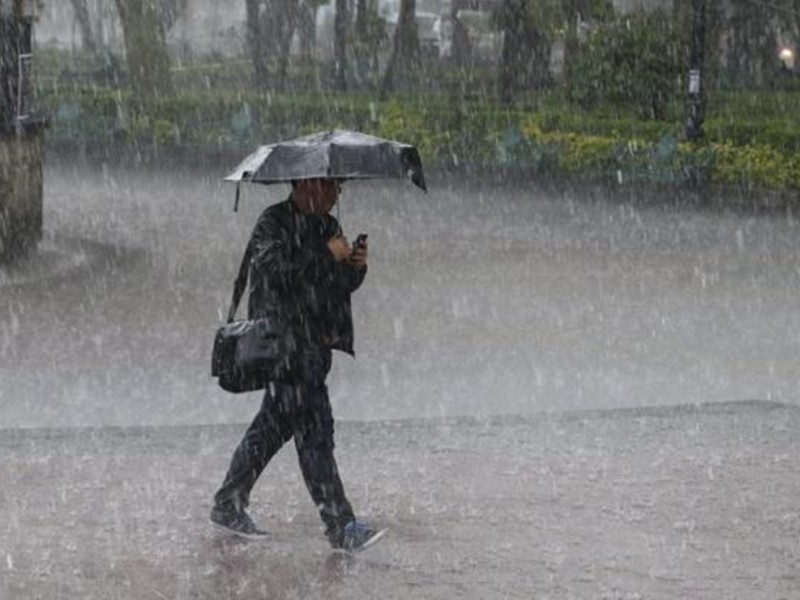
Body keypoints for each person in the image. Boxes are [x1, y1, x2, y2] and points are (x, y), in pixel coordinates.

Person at [210, 177, 384, 551]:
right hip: (286, 348)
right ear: (308, 185)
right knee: (315, 434)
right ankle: (340, 524)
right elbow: (274, 275)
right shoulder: (273, 222)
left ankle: (228, 502)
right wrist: (324, 254)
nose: (338, 193)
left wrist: (354, 267)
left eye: (339, 187)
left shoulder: (328, 225)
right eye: (332, 185)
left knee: (271, 429)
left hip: (315, 346)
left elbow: (336, 284)